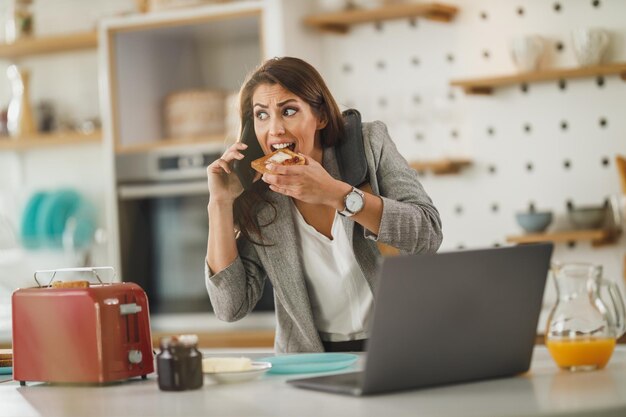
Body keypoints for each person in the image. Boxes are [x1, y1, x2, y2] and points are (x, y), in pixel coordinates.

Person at [205, 57, 442, 353]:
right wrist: (220, 202)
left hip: (397, 348)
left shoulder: (369, 144)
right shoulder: (258, 193)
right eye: (261, 115)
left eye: (288, 111)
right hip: (309, 361)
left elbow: (427, 234)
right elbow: (230, 307)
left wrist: (336, 194)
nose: (275, 129)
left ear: (320, 117)